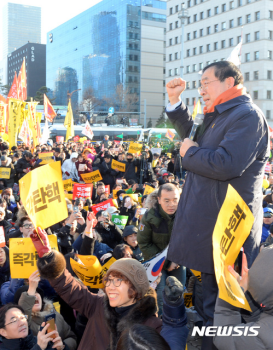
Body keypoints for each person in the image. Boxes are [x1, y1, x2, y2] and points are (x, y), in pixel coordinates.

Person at [165, 61, 269, 349]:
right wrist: (175, 103)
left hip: (230, 234)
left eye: (206, 83)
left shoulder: (247, 116)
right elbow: (194, 140)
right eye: (200, 85)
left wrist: (190, 153)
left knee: (228, 312)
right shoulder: (221, 115)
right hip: (213, 231)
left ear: (229, 82)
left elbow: (226, 163)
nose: (201, 90)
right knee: (212, 309)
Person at [31, 226, 162, 350]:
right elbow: (68, 286)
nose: (110, 287)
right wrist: (48, 257)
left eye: (118, 281)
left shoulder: (153, 326)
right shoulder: (98, 305)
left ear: (135, 288)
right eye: (109, 280)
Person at [137, 184, 185, 316]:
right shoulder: (148, 217)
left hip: (178, 262)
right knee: (161, 297)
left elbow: (189, 240)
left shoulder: (185, 215)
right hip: (155, 263)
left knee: (180, 294)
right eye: (167, 200)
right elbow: (144, 243)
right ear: (158, 200)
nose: (172, 204)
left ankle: (179, 324)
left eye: (175, 200)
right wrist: (167, 263)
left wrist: (176, 260)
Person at [214, 247, 273, 350]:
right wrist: (247, 294)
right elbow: (263, 319)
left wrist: (230, 300)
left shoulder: (263, 336)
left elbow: (223, 337)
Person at [16, 270, 77, 350]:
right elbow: (24, 311)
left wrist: (63, 345)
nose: (34, 295)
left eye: (37, 292)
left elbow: (71, 337)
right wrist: (31, 289)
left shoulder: (56, 315)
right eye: (30, 295)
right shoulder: (24, 322)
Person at [0, 304, 66, 350]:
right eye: (14, 320)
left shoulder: (40, 341)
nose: (22, 323)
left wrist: (61, 348)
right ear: (3, 332)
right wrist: (38, 348)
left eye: (23, 317)